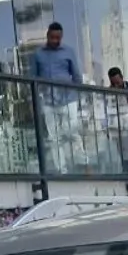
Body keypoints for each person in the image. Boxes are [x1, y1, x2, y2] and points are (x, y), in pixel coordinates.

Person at [31, 22, 81, 171]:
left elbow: (77, 76)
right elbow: (33, 77)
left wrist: (78, 93)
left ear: (61, 37)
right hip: (48, 100)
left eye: (58, 38)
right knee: (54, 137)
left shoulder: (69, 52)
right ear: (47, 36)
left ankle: (81, 161)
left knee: (72, 130)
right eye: (52, 37)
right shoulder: (38, 54)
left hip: (68, 98)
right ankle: (62, 169)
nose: (55, 40)